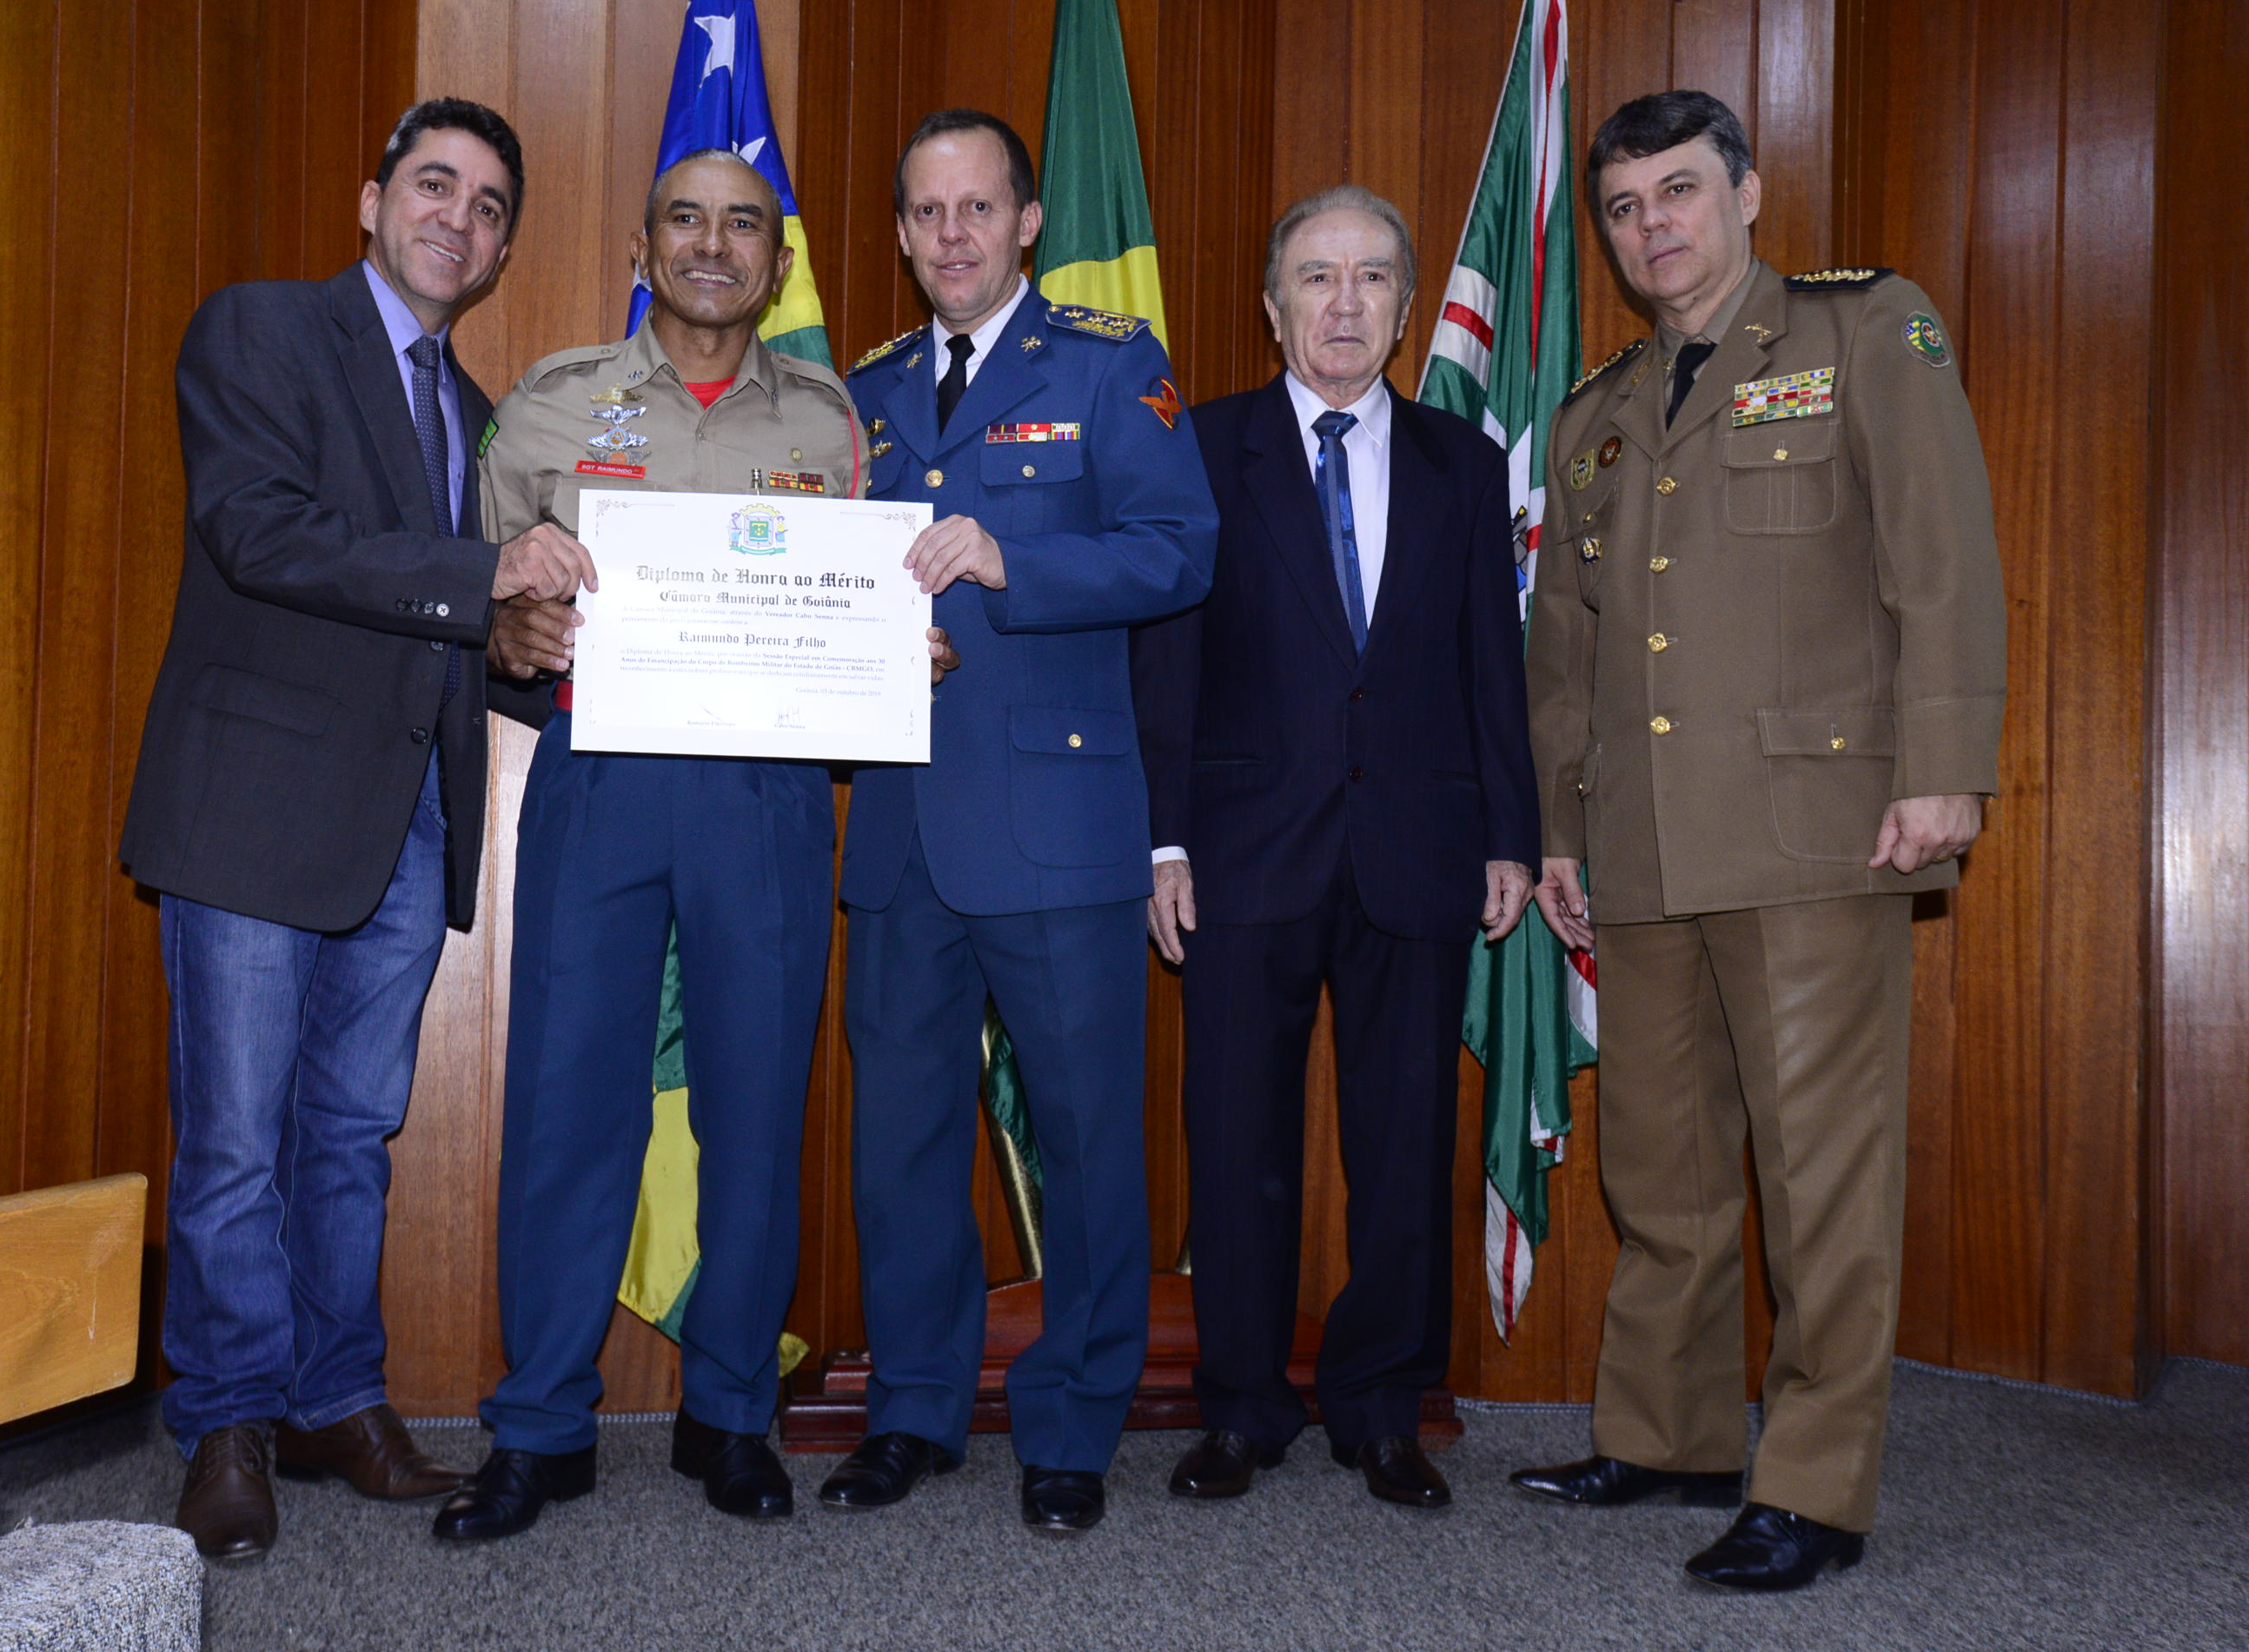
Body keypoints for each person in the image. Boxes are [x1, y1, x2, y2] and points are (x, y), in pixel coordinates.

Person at [1510, 90, 2006, 1591]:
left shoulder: (1864, 333)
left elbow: (1943, 557)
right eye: (1624, 206)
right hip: (1644, 846)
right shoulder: (1595, 415)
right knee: (1661, 1173)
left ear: (1744, 193)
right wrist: (1559, 828)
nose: (1651, 225)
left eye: (1678, 191)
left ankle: (1814, 1487)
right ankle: (1669, 1437)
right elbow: (1565, 650)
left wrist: (1948, 769)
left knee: (1818, 1181)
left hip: (1813, 832)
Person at [430, 149, 884, 1542]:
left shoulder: (831, 420)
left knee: (754, 1108)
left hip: (766, 797)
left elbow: (855, 611)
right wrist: (507, 634)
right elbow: (478, 608)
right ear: (644, 249)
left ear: (776, 266)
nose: (712, 244)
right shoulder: (551, 404)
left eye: (743, 225)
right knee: (568, 1105)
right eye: (686, 219)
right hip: (600, 781)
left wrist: (888, 651)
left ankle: (730, 1413)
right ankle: (540, 1427)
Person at [120, 97, 532, 1561]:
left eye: (488, 207)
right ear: (371, 201)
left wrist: (588, 651)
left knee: (352, 1135)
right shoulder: (262, 331)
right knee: (236, 1139)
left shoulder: (479, 415)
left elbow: (471, 625)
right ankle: (228, 1418)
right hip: (253, 806)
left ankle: (333, 1399)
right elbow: (261, 530)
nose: (458, 220)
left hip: (408, 821)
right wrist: (490, 579)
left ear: (501, 253)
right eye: (435, 186)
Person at [822, 109, 1216, 1536]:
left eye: (978, 208)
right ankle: (914, 1410)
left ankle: (1070, 1425)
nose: (952, 236)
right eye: (927, 213)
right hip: (901, 835)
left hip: (1058, 824)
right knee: (902, 1147)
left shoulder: (1110, 366)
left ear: (1028, 221)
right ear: (902, 231)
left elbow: (1181, 551)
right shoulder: (863, 393)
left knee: (1088, 1142)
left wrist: (1013, 559)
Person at [1131, 187, 1537, 1512]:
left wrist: (1511, 833)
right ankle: (1242, 1410)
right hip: (1241, 852)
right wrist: (1164, 839)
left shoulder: (1463, 464)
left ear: (1408, 309)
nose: (1345, 304)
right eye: (1317, 277)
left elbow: (1493, 662)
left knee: (1405, 1147)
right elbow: (1167, 662)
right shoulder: (1205, 448)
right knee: (1236, 1143)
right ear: (1273, 306)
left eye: (1371, 279)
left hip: (1418, 848)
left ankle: (1382, 1408)